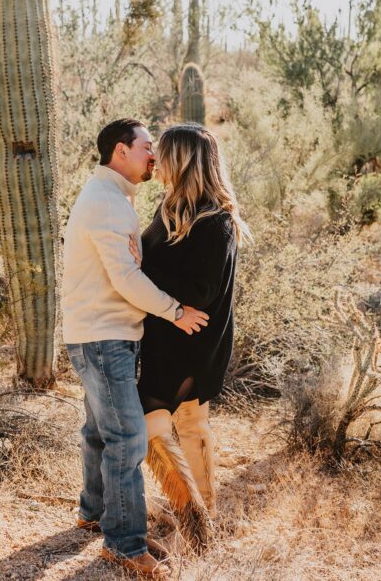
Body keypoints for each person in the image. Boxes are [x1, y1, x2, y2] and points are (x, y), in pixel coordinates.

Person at [62, 118, 209, 579]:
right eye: (147, 146)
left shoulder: (110, 197)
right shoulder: (107, 203)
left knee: (99, 432)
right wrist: (174, 311)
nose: (154, 156)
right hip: (105, 337)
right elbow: (125, 279)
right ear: (120, 151)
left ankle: (94, 511)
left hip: (97, 334)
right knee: (127, 439)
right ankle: (124, 544)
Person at [130, 123, 251, 541]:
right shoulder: (173, 209)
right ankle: (197, 510)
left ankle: (197, 514)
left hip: (193, 340)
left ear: (183, 161)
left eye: (164, 154)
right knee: (183, 421)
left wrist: (141, 267)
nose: (156, 161)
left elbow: (202, 289)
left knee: (170, 420)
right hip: (169, 337)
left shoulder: (214, 220)